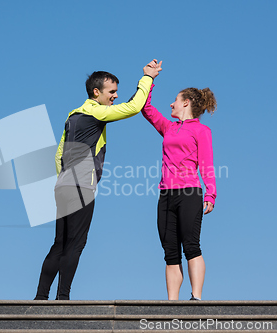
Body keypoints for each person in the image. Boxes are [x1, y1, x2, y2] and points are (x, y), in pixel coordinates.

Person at [34, 60, 163, 300]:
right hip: (81, 186)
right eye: (111, 92)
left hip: (63, 186)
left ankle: (40, 297)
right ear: (97, 92)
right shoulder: (96, 113)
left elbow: (59, 154)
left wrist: (63, 180)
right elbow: (133, 107)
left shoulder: (73, 116)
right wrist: (148, 78)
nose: (115, 96)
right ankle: (63, 298)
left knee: (59, 243)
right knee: (75, 243)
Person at [141, 64, 217, 300]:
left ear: (186, 103)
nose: (171, 104)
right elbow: (146, 108)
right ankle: (172, 304)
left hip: (189, 193)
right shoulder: (168, 128)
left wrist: (210, 193)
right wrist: (148, 78)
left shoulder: (201, 131)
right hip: (166, 195)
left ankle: (196, 298)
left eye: (175, 100)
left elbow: (206, 164)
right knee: (170, 252)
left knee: (191, 246)